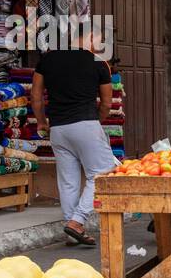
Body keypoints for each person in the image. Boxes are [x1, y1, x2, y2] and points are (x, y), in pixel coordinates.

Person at [32, 31, 117, 246]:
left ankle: (72, 225)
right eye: (99, 40)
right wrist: (97, 120)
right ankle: (77, 222)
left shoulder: (47, 60)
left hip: (59, 129)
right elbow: (107, 102)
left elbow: (36, 97)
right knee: (102, 174)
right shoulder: (99, 62)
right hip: (86, 124)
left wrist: (42, 122)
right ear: (89, 36)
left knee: (68, 180)